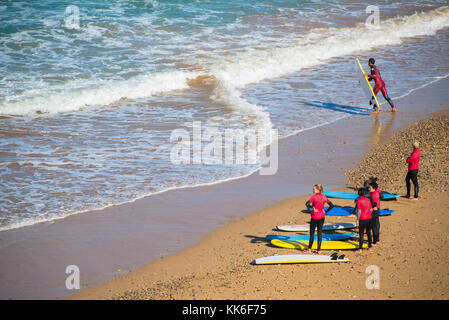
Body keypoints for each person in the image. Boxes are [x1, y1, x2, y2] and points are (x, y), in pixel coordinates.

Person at [305, 184, 334, 254]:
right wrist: (325, 211)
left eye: (314, 189)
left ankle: (309, 249)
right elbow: (332, 205)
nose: (313, 190)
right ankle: (319, 250)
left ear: (318, 190)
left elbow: (307, 203)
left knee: (312, 234)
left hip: (314, 217)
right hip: (322, 217)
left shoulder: (314, 197)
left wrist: (312, 207)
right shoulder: (324, 197)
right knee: (319, 233)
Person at [353, 187, 373, 252]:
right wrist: (369, 215)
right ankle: (370, 246)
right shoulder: (368, 200)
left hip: (362, 218)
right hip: (369, 218)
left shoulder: (359, 201)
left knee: (361, 234)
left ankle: (360, 249)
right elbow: (371, 209)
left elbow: (359, 211)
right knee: (368, 233)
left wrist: (357, 219)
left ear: (358, 193)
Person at [369, 181, 381, 245]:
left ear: (374, 188)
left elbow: (375, 203)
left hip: (375, 211)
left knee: (374, 227)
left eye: (370, 188)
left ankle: (375, 241)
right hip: (376, 211)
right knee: (376, 225)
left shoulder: (374, 194)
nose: (369, 189)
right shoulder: (375, 192)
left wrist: (372, 209)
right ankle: (377, 240)